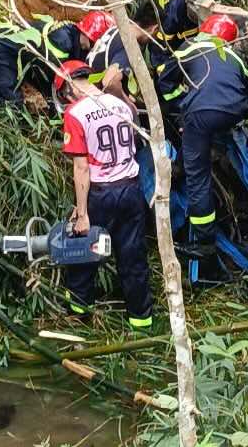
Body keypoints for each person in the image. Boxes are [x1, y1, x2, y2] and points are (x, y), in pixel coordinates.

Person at [158, 14, 248, 283]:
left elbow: (164, 82)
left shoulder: (190, 48)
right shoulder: (237, 59)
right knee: (199, 140)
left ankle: (204, 241)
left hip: (201, 115)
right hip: (234, 114)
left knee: (199, 175)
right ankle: (185, 161)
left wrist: (181, 107)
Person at [56, 59, 154, 330]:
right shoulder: (121, 104)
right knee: (133, 256)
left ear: (69, 90)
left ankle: (79, 313)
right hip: (132, 188)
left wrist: (82, 212)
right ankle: (141, 319)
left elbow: (81, 167)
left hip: (102, 193)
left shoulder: (75, 113)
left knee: (83, 253)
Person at [0, 11, 114, 110]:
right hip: (3, 47)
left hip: (27, 53)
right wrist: (53, 104)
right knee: (9, 101)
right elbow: (49, 76)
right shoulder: (62, 42)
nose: (92, 48)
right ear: (87, 34)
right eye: (92, 43)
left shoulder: (74, 34)